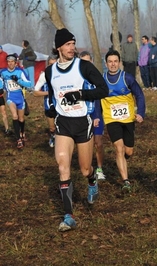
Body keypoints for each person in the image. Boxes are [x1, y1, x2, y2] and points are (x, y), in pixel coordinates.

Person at [44, 28, 108, 232]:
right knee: (63, 165)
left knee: (84, 168)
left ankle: (91, 181)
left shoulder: (84, 66)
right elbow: (52, 95)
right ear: (58, 48)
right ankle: (69, 215)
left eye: (73, 44)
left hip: (82, 123)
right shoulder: (50, 71)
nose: (72, 48)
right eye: (68, 45)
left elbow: (103, 90)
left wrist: (80, 94)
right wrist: (52, 108)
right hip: (63, 123)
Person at [98, 50, 145, 192]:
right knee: (119, 148)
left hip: (128, 119)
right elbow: (95, 100)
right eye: (110, 61)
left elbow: (140, 95)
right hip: (111, 119)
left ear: (119, 63)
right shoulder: (101, 80)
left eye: (115, 61)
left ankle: (123, 159)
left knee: (128, 151)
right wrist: (96, 117)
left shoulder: (127, 78)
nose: (113, 64)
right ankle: (126, 181)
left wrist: (141, 113)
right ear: (106, 64)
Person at [79, 51, 106, 180]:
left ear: (92, 62)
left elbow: (98, 97)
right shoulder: (77, 78)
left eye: (88, 61)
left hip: (96, 114)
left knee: (98, 142)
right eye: (83, 62)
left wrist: (96, 115)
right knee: (87, 144)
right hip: (82, 116)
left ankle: (100, 168)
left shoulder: (96, 77)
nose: (87, 64)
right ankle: (88, 168)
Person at [0, 54, 31, 148]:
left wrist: (18, 80)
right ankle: (18, 140)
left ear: (15, 63)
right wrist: (1, 88)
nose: (10, 64)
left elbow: (29, 84)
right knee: (14, 116)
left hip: (20, 98)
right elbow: (0, 81)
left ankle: (22, 132)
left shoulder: (20, 71)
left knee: (21, 119)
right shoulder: (3, 72)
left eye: (12, 62)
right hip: (10, 97)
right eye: (8, 62)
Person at [33, 55, 58, 147]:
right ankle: (53, 136)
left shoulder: (62, 74)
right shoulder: (44, 75)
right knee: (52, 128)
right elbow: (35, 92)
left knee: (62, 126)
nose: (52, 67)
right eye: (50, 64)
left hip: (61, 105)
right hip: (49, 105)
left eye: (54, 64)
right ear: (47, 65)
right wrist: (49, 93)